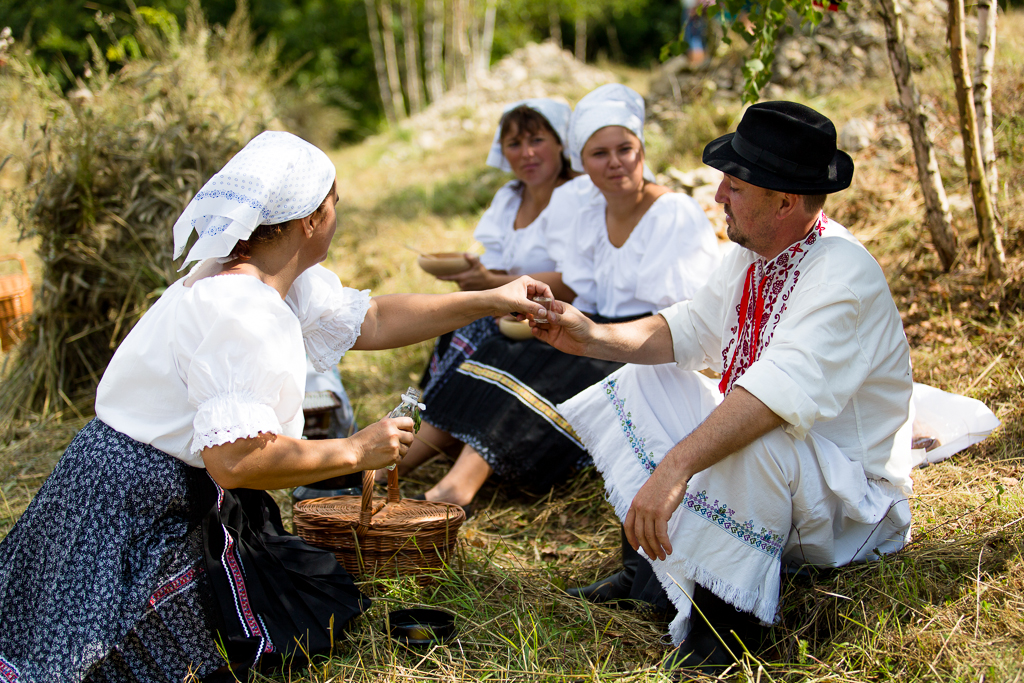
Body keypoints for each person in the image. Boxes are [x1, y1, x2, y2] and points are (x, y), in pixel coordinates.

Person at [0, 131, 553, 682]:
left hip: (148, 485)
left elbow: (376, 319)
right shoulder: (241, 310)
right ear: (310, 220)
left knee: (315, 593)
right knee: (259, 627)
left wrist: (491, 299)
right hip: (135, 507)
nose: (338, 216)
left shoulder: (269, 278)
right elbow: (236, 462)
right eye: (334, 204)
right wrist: (355, 450)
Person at [535, 102, 914, 672]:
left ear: (785, 201)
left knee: (752, 439)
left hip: (848, 500)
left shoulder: (843, 275)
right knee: (648, 379)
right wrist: (591, 337)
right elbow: (693, 327)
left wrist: (675, 468)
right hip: (794, 468)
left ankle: (720, 635)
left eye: (734, 186)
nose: (717, 196)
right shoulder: (757, 251)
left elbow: (769, 400)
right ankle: (650, 577)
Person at [404, 84, 722, 508]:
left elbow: (680, 318)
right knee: (501, 348)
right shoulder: (589, 210)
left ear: (641, 149)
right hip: (599, 327)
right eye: (599, 154)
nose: (614, 163)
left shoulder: (672, 213)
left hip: (647, 344)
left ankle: (455, 489)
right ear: (582, 163)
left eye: (624, 149)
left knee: (550, 368)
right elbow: (582, 286)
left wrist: (592, 333)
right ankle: (386, 467)